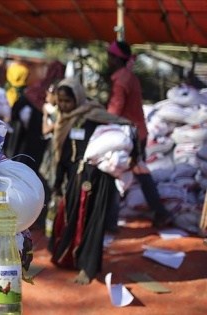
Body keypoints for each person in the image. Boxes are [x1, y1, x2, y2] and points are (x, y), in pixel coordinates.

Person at [48, 77, 133, 285]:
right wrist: (58, 181)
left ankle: (89, 267)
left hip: (96, 178)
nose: (65, 105)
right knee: (73, 218)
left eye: (68, 101)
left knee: (92, 222)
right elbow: (64, 154)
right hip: (76, 178)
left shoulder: (94, 116)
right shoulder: (65, 119)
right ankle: (72, 258)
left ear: (78, 97)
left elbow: (123, 127)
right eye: (61, 101)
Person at [105, 40, 173, 228]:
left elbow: (114, 111)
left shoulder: (120, 80)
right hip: (139, 133)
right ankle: (160, 211)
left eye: (110, 56)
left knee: (114, 173)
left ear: (116, 59)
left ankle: (110, 221)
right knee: (140, 172)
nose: (108, 60)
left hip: (129, 136)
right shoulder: (130, 77)